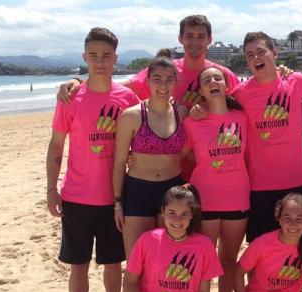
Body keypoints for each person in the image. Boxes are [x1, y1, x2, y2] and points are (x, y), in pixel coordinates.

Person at [45, 27, 139, 292]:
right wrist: (50, 188)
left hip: (115, 199)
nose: (100, 62)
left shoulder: (127, 98)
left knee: (113, 265)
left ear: (116, 58)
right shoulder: (72, 97)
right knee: (79, 266)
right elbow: (57, 145)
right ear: (84, 57)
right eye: (93, 55)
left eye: (106, 56)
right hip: (76, 197)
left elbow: (140, 141)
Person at [57, 15, 240, 181]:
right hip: (169, 172)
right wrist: (79, 82)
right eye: (189, 36)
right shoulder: (166, 70)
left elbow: (239, 108)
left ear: (210, 39)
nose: (195, 41)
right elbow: (115, 89)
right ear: (180, 39)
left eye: (201, 36)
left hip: (212, 168)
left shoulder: (220, 75)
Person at [228, 32, 302, 242]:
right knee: (259, 245)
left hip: (294, 180)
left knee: (298, 246)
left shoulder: (296, 81)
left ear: (275, 53)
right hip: (259, 184)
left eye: (261, 52)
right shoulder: (240, 93)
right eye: (250, 55)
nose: (256, 58)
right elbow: (217, 111)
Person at [182, 66, 250, 292]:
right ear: (200, 90)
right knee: (204, 264)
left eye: (217, 78)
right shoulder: (191, 122)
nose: (213, 82)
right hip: (205, 201)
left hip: (237, 198)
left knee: (229, 261)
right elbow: (182, 155)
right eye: (206, 80)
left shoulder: (242, 117)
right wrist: (205, 166)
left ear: (226, 85)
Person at [113, 57, 186, 258]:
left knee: (168, 260)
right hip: (138, 192)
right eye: (157, 79)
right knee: (136, 263)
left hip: (172, 192)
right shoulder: (132, 116)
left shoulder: (183, 113)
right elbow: (119, 161)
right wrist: (117, 202)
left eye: (169, 79)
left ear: (175, 82)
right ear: (147, 81)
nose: (163, 85)